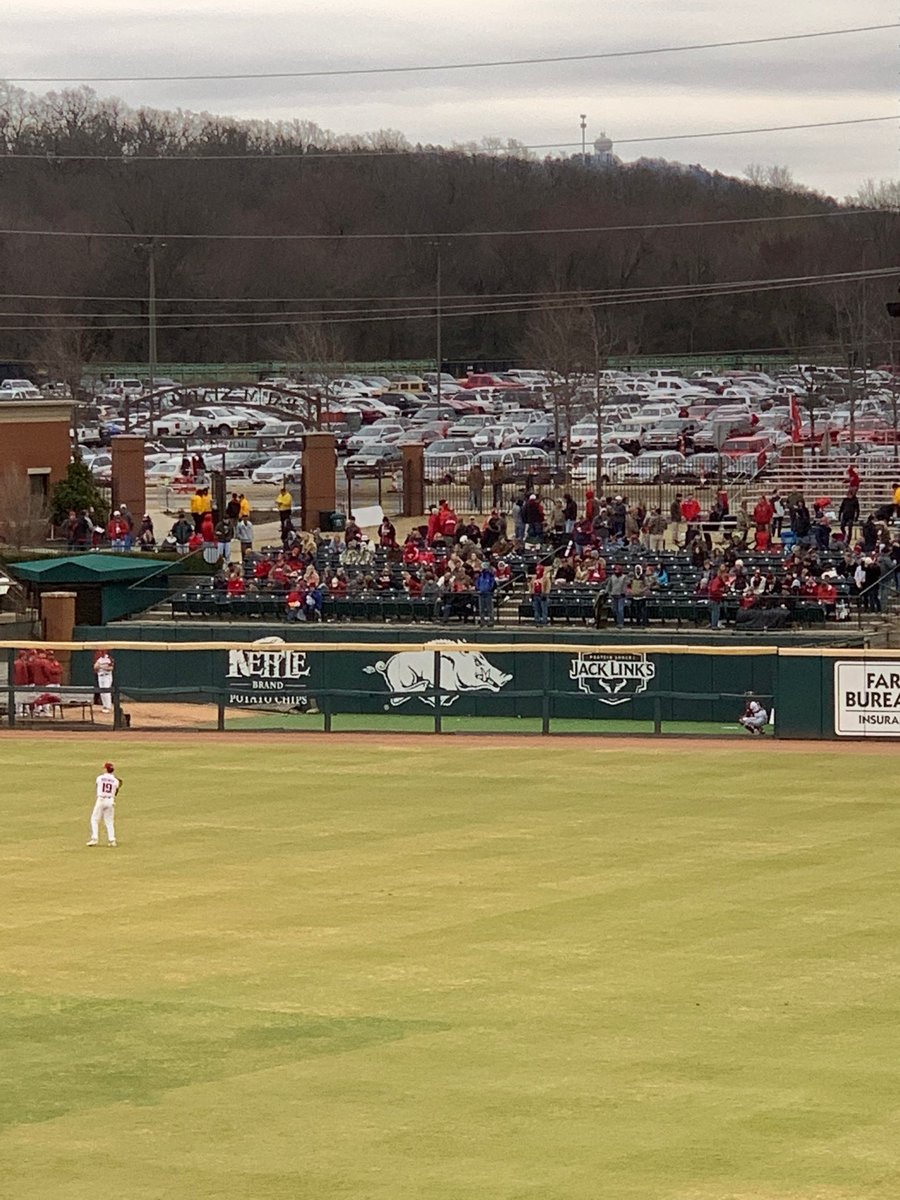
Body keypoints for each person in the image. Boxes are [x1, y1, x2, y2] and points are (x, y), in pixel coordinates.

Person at [87, 761, 121, 846]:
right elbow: (116, 791)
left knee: (94, 819)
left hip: (101, 799)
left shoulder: (99, 778)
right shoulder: (115, 781)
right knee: (109, 821)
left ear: (106, 769)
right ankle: (112, 840)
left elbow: (98, 786)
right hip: (110, 801)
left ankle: (94, 838)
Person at [474, 560, 496, 627]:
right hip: (481, 594)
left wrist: (490, 590)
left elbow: (493, 583)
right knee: (481, 609)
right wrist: (478, 589)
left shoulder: (490, 575)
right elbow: (477, 583)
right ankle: (482, 621)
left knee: (490, 609)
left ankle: (491, 621)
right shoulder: (480, 575)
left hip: (488, 594)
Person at [93, 648, 114, 714]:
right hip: (100, 676)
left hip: (107, 676)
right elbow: (95, 667)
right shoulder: (99, 659)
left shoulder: (108, 658)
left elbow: (111, 668)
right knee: (102, 692)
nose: (101, 653)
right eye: (100, 652)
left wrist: (102, 667)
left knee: (106, 691)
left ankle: (108, 707)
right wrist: (99, 666)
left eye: (102, 651)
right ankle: (105, 706)